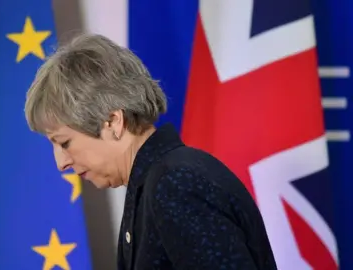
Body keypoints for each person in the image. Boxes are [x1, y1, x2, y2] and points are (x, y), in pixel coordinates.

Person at [24, 33, 277, 270]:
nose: (61, 163)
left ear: (113, 122)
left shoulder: (175, 186)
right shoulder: (155, 184)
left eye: (64, 142)